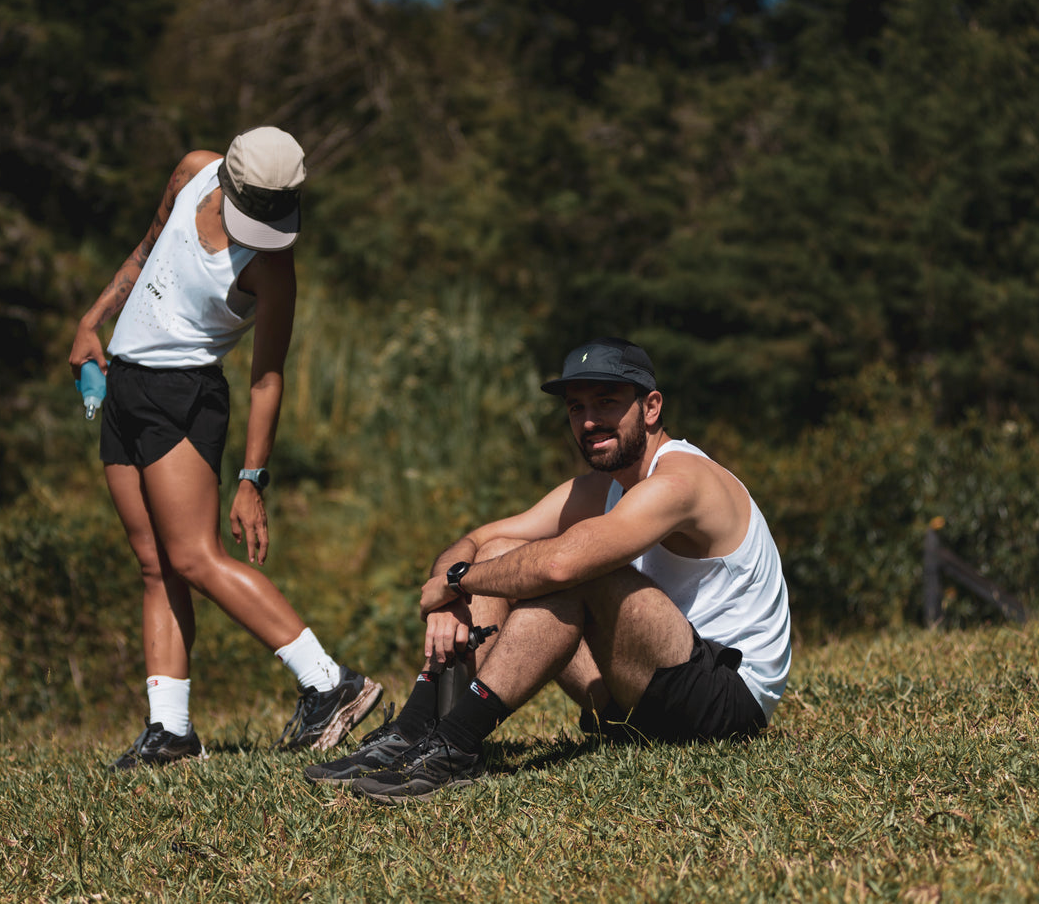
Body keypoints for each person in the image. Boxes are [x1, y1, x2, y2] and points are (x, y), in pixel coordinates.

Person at [304, 337, 791, 802]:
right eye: (577, 408)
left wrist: (455, 583)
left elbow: (560, 565)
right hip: (643, 695)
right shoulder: (601, 489)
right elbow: (477, 541)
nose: (589, 421)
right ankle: (417, 728)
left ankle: (456, 745)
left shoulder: (682, 479)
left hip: (727, 705)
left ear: (651, 407)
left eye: (606, 403)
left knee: (577, 567)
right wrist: (449, 593)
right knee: (501, 551)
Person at [70, 126, 381, 769]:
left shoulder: (271, 267)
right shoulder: (192, 172)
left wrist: (251, 478)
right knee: (156, 564)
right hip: (125, 385)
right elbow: (147, 248)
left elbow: (268, 377)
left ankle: (331, 682)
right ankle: (171, 733)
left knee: (195, 557)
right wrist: (90, 321)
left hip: (185, 396)